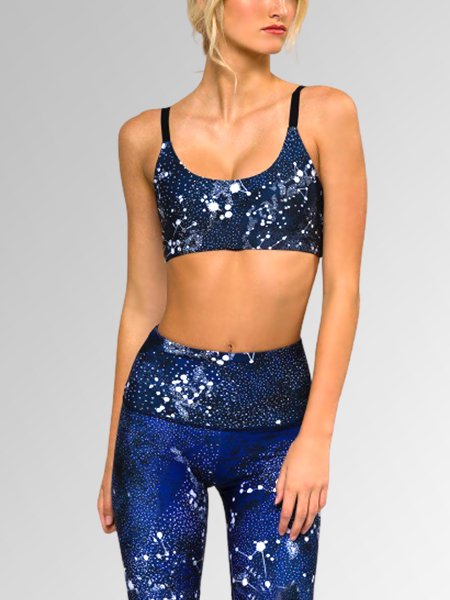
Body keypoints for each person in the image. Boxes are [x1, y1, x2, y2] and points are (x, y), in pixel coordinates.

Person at [97, 1, 367, 598]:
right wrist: (113, 452)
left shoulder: (324, 115)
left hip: (278, 421)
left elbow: (344, 290)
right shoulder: (144, 138)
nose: (281, 8)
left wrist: (317, 437)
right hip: (159, 419)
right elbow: (140, 304)